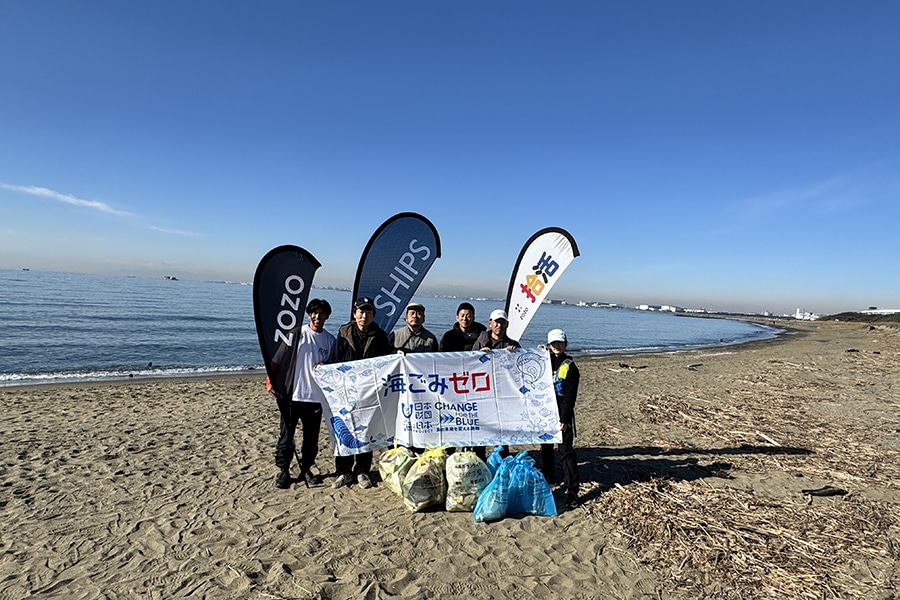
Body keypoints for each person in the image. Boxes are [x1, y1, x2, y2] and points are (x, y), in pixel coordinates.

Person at [268, 299, 336, 490]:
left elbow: (335, 367)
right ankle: (283, 471)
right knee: (286, 437)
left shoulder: (330, 340)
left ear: (327, 316)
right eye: (314, 312)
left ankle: (306, 469)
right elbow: (277, 360)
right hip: (291, 396)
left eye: (322, 313)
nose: (317, 316)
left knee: (311, 440)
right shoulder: (296, 334)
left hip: (315, 399)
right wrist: (270, 380)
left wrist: (326, 366)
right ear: (308, 314)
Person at [330, 296, 394, 489]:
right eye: (361, 311)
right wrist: (324, 369)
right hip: (346, 392)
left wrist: (397, 356)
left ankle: (362, 471)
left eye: (368, 312)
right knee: (345, 429)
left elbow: (386, 362)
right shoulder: (344, 332)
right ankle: (343, 472)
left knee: (366, 430)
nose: (364, 316)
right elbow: (335, 360)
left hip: (368, 393)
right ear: (354, 313)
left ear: (373, 315)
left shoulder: (380, 335)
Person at [471, 309, 521, 459]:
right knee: (481, 429)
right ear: (490, 323)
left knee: (502, 430)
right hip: (482, 393)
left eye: (502, 322)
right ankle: (480, 460)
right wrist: (480, 354)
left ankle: (502, 462)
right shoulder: (480, 342)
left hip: (503, 395)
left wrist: (515, 354)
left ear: (507, 324)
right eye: (496, 322)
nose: (499, 325)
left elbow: (520, 368)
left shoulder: (513, 344)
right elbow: (470, 364)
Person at [540, 328, 580, 509]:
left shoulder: (570, 366)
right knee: (546, 447)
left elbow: (570, 396)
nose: (556, 346)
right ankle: (549, 477)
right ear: (549, 344)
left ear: (565, 344)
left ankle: (573, 491)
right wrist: (538, 353)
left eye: (560, 343)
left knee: (566, 452)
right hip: (545, 413)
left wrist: (564, 418)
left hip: (562, 415)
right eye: (553, 343)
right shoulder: (544, 360)